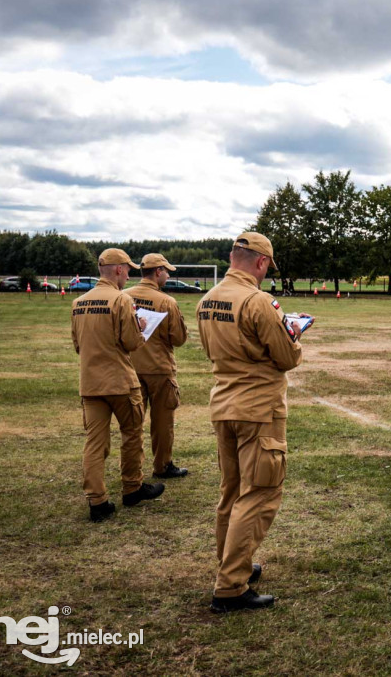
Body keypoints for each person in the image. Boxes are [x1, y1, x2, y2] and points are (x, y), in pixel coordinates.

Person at [197, 232, 311, 613]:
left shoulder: (207, 300)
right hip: (258, 409)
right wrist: (294, 335)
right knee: (260, 492)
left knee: (231, 490)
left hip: (224, 403)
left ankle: (231, 563)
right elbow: (286, 356)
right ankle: (231, 584)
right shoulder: (259, 302)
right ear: (261, 263)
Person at [71, 248, 165, 523]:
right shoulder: (121, 300)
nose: (128, 276)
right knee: (132, 434)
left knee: (95, 443)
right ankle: (132, 488)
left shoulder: (78, 302)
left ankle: (97, 501)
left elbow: (78, 345)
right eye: (127, 270)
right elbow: (132, 343)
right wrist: (142, 326)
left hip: (90, 384)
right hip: (121, 383)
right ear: (119, 270)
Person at [125, 253, 190, 479]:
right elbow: (179, 339)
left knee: (133, 424)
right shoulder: (166, 301)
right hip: (160, 370)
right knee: (163, 422)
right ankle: (162, 465)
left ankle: (132, 471)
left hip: (130, 368)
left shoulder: (123, 297)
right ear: (158, 272)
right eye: (167, 271)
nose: (169, 274)